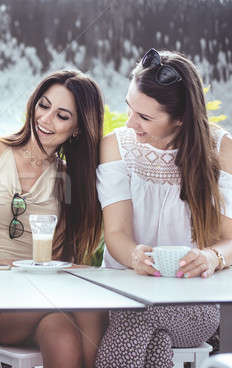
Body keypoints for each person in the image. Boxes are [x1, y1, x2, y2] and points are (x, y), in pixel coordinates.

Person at [0, 69, 106, 368]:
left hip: (32, 295)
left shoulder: (68, 181)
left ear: (77, 129)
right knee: (85, 301)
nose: (45, 120)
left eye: (62, 115)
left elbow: (55, 259)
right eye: (43, 106)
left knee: (62, 333)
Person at [94, 48, 232, 367]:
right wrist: (134, 256)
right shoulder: (116, 145)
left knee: (137, 317)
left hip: (191, 302)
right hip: (121, 291)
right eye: (130, 108)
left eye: (144, 117)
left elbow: (229, 239)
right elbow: (116, 232)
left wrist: (212, 256)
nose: (130, 123)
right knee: (155, 343)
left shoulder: (222, 149)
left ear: (181, 119)